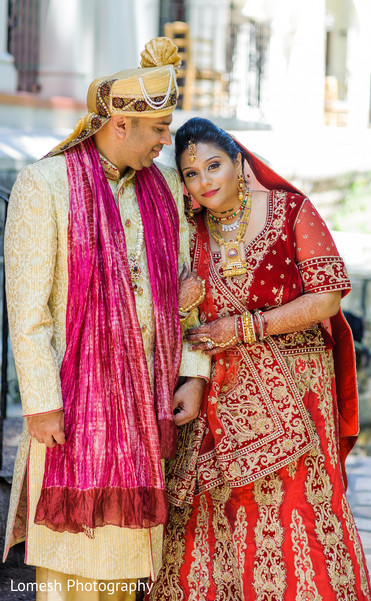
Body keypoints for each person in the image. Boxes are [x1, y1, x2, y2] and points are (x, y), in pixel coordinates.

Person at [3, 41, 210, 600]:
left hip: (145, 404)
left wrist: (192, 372)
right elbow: (27, 309)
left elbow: (188, 289)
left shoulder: (166, 189)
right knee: (72, 565)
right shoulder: (44, 184)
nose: (169, 141)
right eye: (160, 128)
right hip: (72, 407)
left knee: (129, 565)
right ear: (120, 123)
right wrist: (42, 402)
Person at [150, 117, 371, 601]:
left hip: (295, 391)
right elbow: (193, 322)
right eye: (191, 174)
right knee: (208, 512)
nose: (205, 181)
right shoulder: (192, 231)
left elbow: (328, 298)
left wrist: (247, 327)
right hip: (217, 391)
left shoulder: (292, 211)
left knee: (298, 509)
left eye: (214, 165)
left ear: (239, 163)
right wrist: (190, 369)